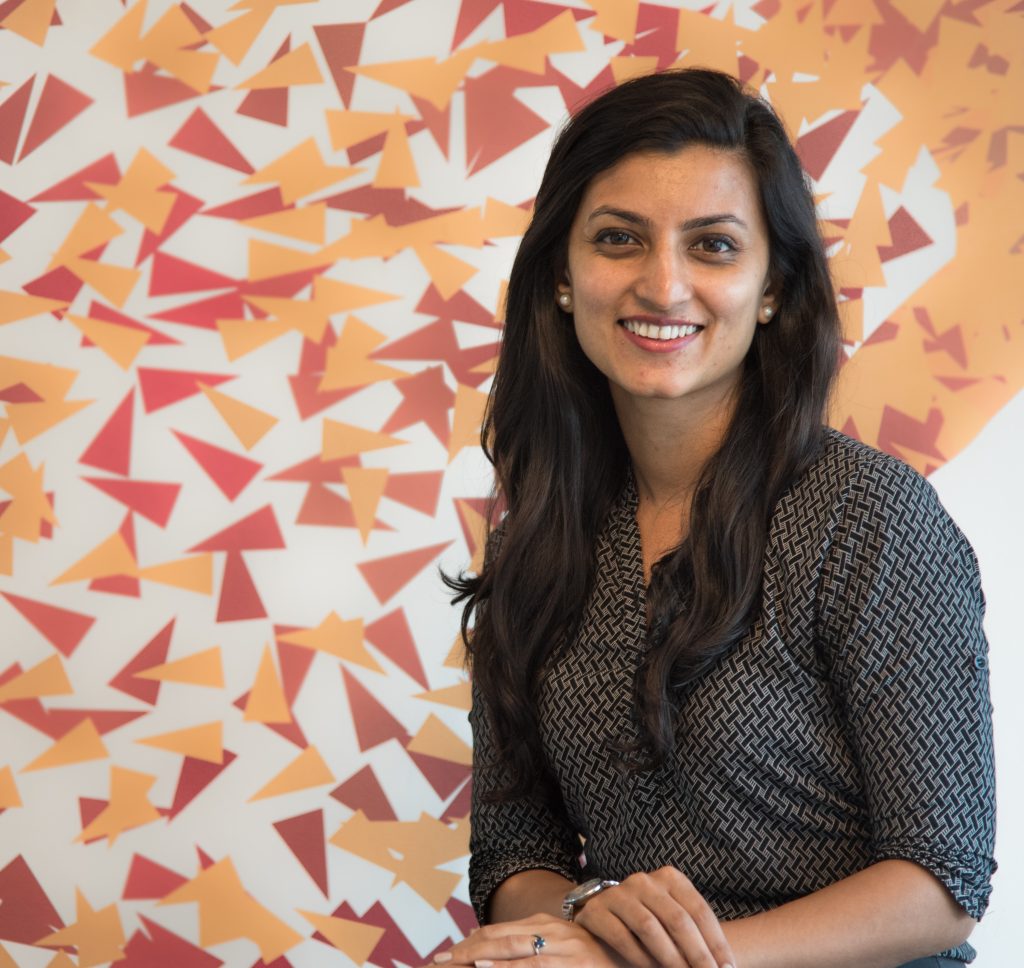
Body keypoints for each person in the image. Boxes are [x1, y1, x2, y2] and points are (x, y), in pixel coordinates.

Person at [439, 69, 995, 968]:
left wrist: (662, 962)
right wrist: (584, 915)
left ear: (772, 287)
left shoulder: (868, 516)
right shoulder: (534, 542)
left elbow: (942, 880)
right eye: (618, 239)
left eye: (714, 246)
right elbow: (512, 851)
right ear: (563, 277)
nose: (664, 285)